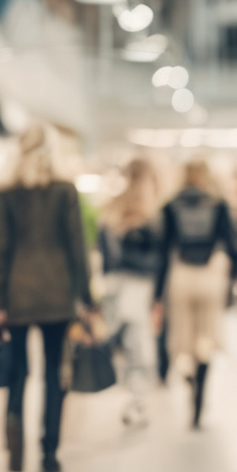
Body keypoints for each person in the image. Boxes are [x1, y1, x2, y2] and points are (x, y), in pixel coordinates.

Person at [0, 126, 92, 472]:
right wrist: (86, 296)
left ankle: (15, 436)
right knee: (54, 373)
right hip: (57, 292)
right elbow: (78, 249)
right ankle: (49, 452)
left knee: (18, 371)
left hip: (17, 292)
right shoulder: (65, 191)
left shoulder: (5, 195)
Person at [153, 159, 236, 429]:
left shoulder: (170, 206)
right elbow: (231, 244)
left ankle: (188, 380)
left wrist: (156, 294)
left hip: (181, 276)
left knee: (182, 338)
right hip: (210, 276)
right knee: (206, 337)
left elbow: (163, 252)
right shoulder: (219, 205)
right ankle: (201, 395)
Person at [98, 158, 163, 427]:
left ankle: (133, 398)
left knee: (118, 343)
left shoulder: (111, 210)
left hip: (114, 286)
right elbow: (159, 258)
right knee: (138, 346)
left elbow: (104, 253)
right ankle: (137, 401)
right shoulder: (154, 213)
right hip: (139, 287)